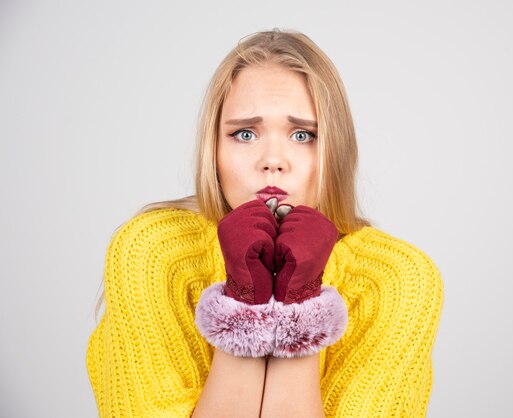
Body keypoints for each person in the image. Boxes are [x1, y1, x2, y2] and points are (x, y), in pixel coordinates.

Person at [86, 28, 444, 417]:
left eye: (303, 134)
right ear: (214, 149)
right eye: (244, 133)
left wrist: (302, 303)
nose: (273, 160)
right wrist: (243, 301)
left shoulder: (397, 278)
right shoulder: (152, 252)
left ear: (335, 149)